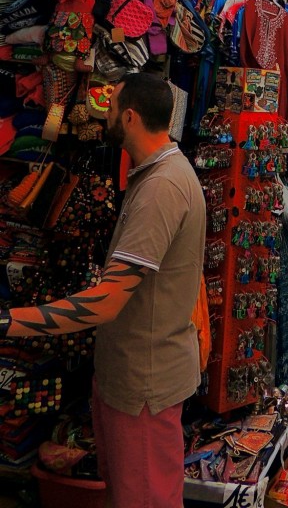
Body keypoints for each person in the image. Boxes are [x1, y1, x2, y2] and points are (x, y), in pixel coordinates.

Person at [0, 74, 206, 508]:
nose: (104, 114)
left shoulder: (162, 187)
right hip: (130, 381)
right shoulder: (155, 173)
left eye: (110, 106)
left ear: (129, 117)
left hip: (144, 388)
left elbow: (108, 301)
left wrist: (10, 323)